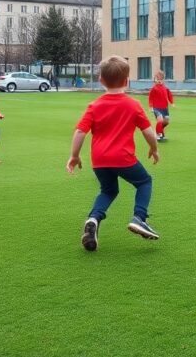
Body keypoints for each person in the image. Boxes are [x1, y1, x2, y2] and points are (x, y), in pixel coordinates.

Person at [66, 56, 160, 251]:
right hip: (123, 158)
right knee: (144, 182)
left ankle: (94, 218)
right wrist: (154, 148)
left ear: (101, 80)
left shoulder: (95, 106)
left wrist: (74, 156)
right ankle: (139, 217)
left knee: (108, 190)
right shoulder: (133, 104)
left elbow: (80, 132)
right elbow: (148, 131)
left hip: (100, 160)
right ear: (127, 80)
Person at [148, 70, 175, 141]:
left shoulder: (166, 88)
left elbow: (170, 96)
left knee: (166, 122)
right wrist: (151, 107)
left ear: (163, 80)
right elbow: (150, 98)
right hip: (156, 108)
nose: (159, 81)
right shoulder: (154, 89)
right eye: (157, 79)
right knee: (160, 120)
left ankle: (160, 132)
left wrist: (172, 103)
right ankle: (157, 134)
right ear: (155, 79)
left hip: (165, 108)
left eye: (160, 79)